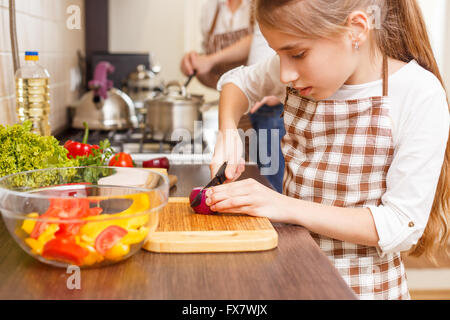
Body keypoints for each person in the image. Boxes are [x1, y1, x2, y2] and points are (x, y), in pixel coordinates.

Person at [206, 0, 450, 300]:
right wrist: (228, 131)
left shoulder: (417, 93)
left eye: (297, 54)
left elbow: (400, 224)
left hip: (363, 288)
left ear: (357, 30)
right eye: (278, 54)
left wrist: (282, 205)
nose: (284, 75)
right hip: (290, 274)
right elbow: (238, 82)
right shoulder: (298, 76)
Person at [181, 0, 286, 193]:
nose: (289, 73)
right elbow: (231, 81)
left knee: (271, 181)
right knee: (245, 174)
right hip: (237, 107)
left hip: (267, 110)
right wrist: (198, 68)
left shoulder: (261, 5)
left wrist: (211, 59)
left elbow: (258, 44)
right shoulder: (210, 9)